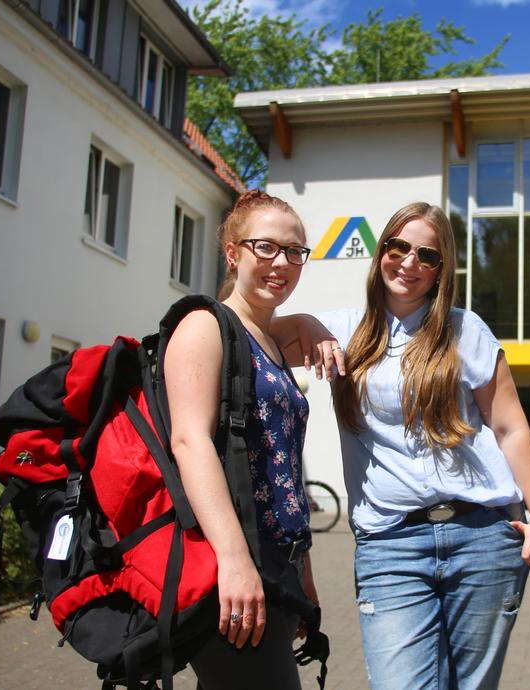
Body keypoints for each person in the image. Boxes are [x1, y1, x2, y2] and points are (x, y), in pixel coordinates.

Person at [273, 201, 530, 690]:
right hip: (390, 544)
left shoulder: (465, 331)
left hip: (484, 539)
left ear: (440, 270)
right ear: (381, 251)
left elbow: (510, 427)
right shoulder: (340, 332)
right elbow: (244, 335)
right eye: (398, 247)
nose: (409, 262)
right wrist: (299, 320)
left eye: (426, 255)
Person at [164, 189, 319, 689]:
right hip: (233, 572)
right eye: (266, 247)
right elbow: (189, 442)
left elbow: (284, 469)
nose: (282, 262)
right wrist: (233, 563)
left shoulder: (269, 341)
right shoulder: (204, 326)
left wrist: (305, 577)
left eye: (294, 251)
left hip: (277, 569)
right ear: (233, 253)